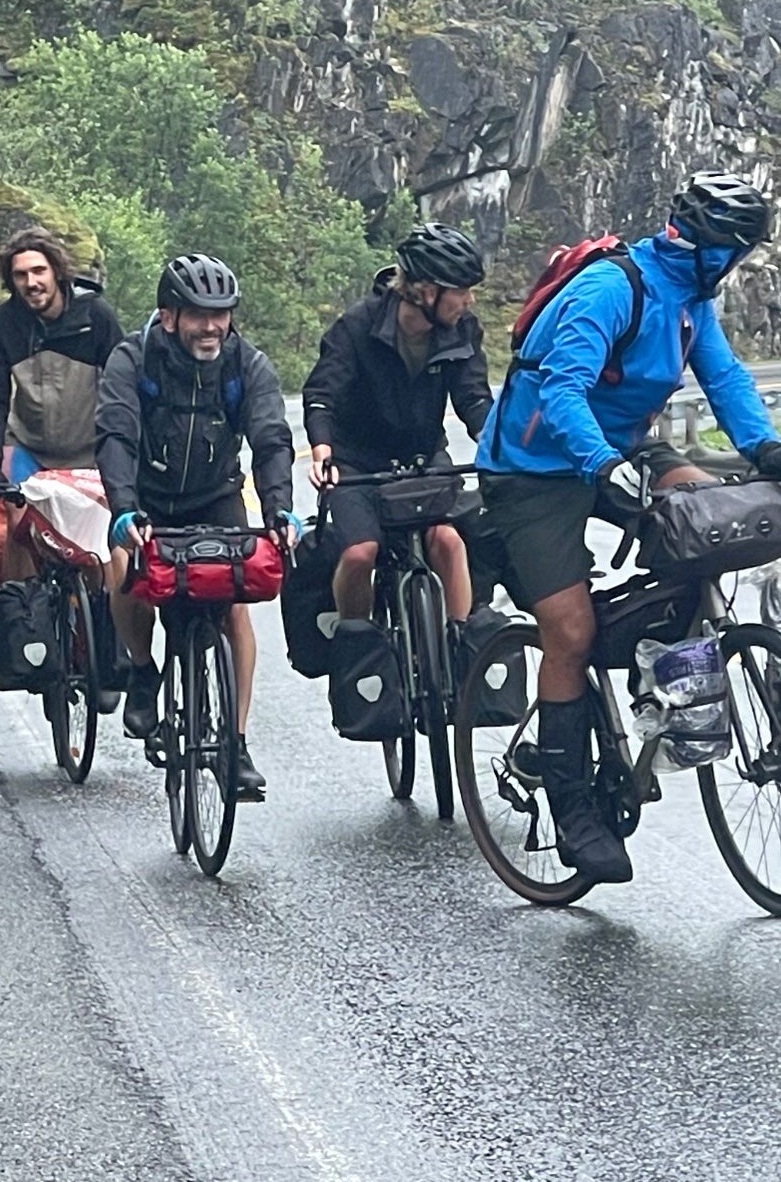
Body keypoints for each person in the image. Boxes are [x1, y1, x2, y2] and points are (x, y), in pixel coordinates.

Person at [474, 169, 781, 885]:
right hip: (534, 467)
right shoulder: (613, 289)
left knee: (713, 515)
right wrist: (599, 463)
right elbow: (562, 388)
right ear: (709, 247)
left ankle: (657, 650)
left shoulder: (690, 299)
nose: (737, 266)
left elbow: (728, 379)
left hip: (623, 448)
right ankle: (573, 804)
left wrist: (765, 449)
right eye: (735, 252)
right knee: (571, 632)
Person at [96, 253, 297, 798]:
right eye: (198, 314)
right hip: (148, 500)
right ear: (168, 317)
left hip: (215, 496)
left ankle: (236, 742)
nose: (212, 326)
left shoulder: (245, 365)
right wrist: (123, 510)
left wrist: (279, 509)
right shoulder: (132, 361)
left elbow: (271, 437)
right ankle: (143, 669)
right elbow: (116, 435)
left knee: (235, 608)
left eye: (222, 314)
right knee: (123, 569)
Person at [302, 222, 492, 628]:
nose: (469, 300)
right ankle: (360, 643)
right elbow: (322, 395)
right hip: (357, 463)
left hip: (423, 456)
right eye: (461, 290)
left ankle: (464, 649)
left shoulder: (463, 331)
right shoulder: (356, 326)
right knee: (359, 553)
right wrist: (322, 451)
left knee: (448, 541)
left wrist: (497, 443)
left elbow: (473, 398)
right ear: (427, 291)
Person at [0, 225, 124, 578]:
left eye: (39, 271)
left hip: (89, 450)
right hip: (28, 447)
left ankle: (102, 623)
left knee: (97, 541)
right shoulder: (2, 323)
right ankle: (23, 616)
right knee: (19, 525)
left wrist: (126, 448)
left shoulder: (95, 315)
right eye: (20, 275)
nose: (31, 282)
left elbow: (123, 389)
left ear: (57, 270)